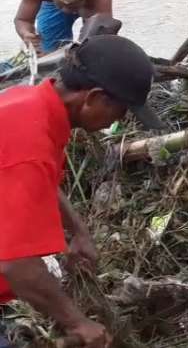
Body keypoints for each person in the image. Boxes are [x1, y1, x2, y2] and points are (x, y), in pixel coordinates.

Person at [1, 35, 159, 348]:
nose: (122, 119)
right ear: (94, 98)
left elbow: (41, 180)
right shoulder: (29, 142)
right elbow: (16, 263)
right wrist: (78, 323)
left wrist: (77, 231)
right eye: (122, 110)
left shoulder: (28, 104)